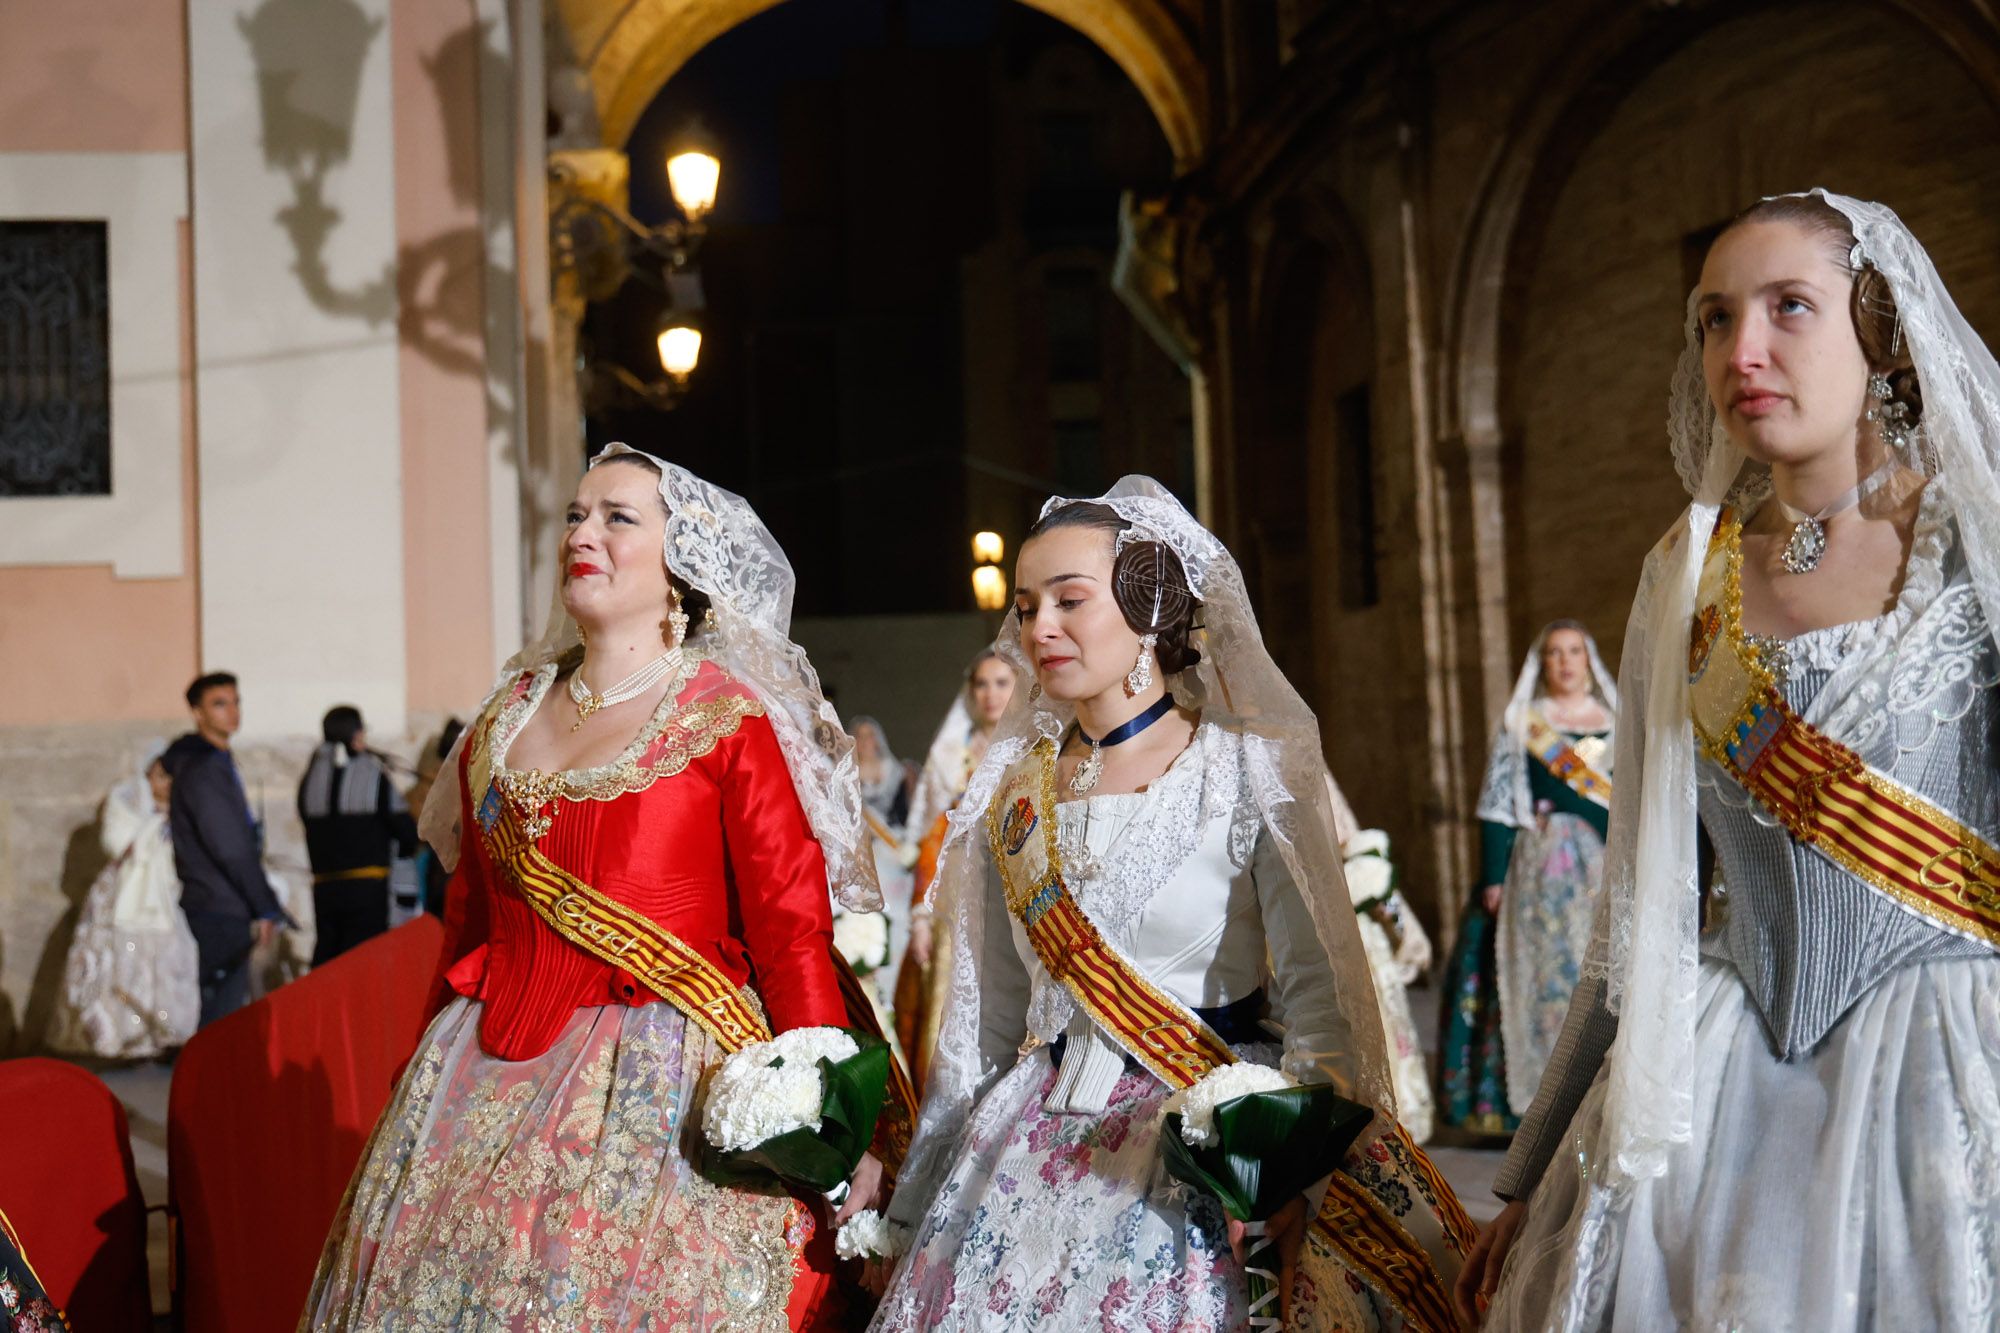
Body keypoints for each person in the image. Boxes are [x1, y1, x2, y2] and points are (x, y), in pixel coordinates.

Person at [1460, 191, 2000, 1330]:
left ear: (1879, 332)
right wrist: (1521, 1182)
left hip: (1948, 1069)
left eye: (1785, 307)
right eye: (1711, 318)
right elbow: (1634, 910)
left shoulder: (1980, 535)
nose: (1738, 350)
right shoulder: (1681, 573)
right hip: (1708, 1084)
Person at [305, 444, 903, 1330]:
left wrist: (821, 1104)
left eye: (619, 517)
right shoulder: (502, 720)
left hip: (663, 1090)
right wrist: (413, 1080)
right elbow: (466, 928)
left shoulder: (722, 716)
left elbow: (788, 927)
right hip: (475, 1082)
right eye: (577, 515)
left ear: (680, 567)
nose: (585, 532)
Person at [873, 479, 1473, 1331]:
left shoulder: (1243, 772)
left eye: (1069, 600)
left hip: (1205, 1145)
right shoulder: (1007, 799)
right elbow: (984, 1026)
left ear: (1148, 606)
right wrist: (918, 1194)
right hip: (1025, 1154)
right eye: (1027, 604)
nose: (1036, 628)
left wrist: (1285, 1173)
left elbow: (1319, 1003)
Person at [1439, 622, 1616, 1132]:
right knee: (1538, 979)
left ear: (1589, 660)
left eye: (1574, 652)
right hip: (1540, 880)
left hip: (1601, 873)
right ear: (1542, 663)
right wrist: (1494, 876)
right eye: (1555, 653)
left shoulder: (1617, 720)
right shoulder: (1525, 722)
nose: (1565, 662)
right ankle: (1530, 1104)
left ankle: (1597, 1089)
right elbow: (1497, 805)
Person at [891, 650, 1018, 1087]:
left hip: (1018, 899)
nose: (991, 694)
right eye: (982, 684)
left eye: (1002, 682)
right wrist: (921, 919)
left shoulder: (1033, 748)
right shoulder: (950, 757)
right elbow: (931, 842)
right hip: (959, 898)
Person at [50, 743, 200, 1058]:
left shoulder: (185, 808)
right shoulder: (126, 801)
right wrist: (155, 825)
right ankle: (115, 1038)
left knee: (167, 960)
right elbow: (117, 843)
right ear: (146, 775)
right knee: (117, 962)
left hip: (164, 899)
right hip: (124, 893)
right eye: (160, 775)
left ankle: (158, 1034)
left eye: (172, 776)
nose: (167, 783)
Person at [162, 672, 289, 1028]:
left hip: (221, 900)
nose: (232, 711)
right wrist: (264, 905)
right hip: (218, 904)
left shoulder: (213, 761)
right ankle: (208, 1084)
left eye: (236, 702)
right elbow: (229, 847)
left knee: (227, 1012)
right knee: (223, 1017)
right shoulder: (204, 768)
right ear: (197, 713)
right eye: (219, 704)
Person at [297, 706, 420, 965]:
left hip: (325, 889)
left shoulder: (311, 776)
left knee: (329, 962)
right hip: (368, 892)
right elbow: (405, 830)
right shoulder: (372, 774)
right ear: (356, 735)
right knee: (363, 964)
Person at [851, 716, 914, 990]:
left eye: (870, 735)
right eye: (860, 736)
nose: (866, 741)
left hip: (890, 849)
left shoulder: (894, 771)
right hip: (861, 849)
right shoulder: (846, 771)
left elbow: (902, 814)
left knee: (896, 912)